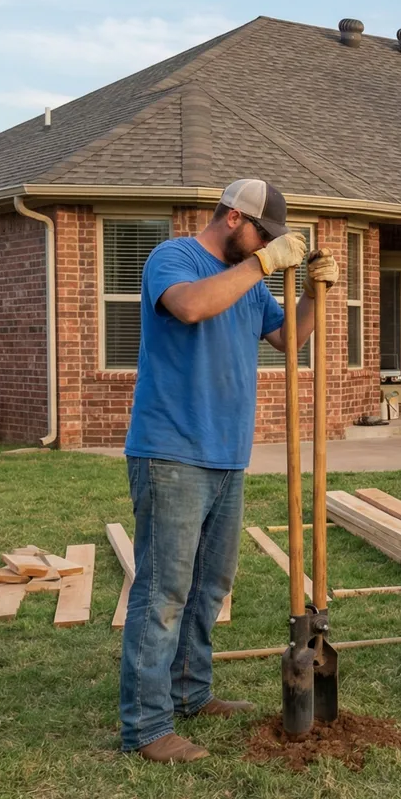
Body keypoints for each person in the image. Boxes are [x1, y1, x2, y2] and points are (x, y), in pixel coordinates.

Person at [119, 179, 338, 762]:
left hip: (225, 455)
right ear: (235, 218)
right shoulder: (174, 257)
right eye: (263, 234)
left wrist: (316, 292)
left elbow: (288, 337)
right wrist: (265, 261)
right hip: (171, 451)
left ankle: (191, 693)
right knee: (164, 590)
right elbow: (190, 306)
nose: (268, 246)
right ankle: (146, 727)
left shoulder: (249, 279)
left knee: (210, 585)